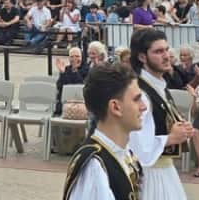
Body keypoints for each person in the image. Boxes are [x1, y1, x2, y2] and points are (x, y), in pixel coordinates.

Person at [63, 63, 146, 200]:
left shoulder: (123, 153)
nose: (143, 107)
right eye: (136, 99)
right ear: (115, 107)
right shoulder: (95, 167)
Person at [127, 29, 194, 199]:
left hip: (164, 170)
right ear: (142, 57)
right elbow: (138, 146)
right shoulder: (141, 93)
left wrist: (181, 127)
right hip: (149, 175)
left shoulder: (158, 86)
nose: (166, 56)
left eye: (166, 49)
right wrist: (171, 138)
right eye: (158, 51)